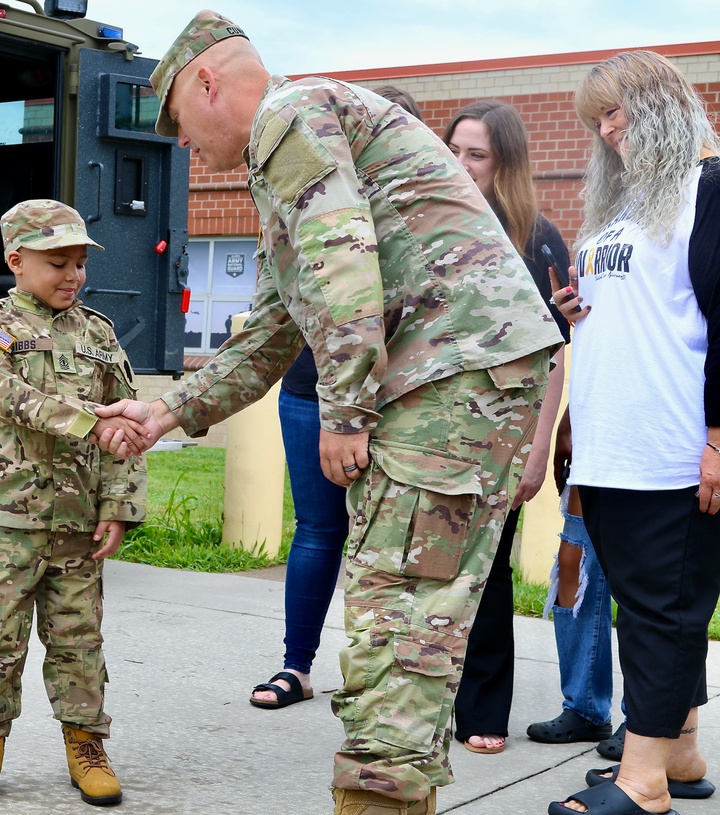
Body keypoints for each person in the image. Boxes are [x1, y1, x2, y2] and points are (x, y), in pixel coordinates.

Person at [95, 11, 564, 814]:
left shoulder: (290, 117)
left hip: (448, 375)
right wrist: (169, 410)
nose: (178, 143)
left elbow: (342, 260)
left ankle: (379, 800)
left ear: (208, 81)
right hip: (458, 372)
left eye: (176, 118)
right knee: (404, 616)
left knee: (398, 618)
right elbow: (278, 323)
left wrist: (344, 411)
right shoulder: (294, 142)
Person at [546, 50, 720, 815]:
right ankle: (677, 750)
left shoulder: (708, 190)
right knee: (645, 603)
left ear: (659, 103)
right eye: (597, 120)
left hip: (675, 445)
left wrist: (718, 439)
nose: (607, 131)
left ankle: (644, 783)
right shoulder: (629, 203)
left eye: (615, 112)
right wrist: (578, 305)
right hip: (611, 446)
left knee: (663, 608)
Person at [0, 199, 147, 808]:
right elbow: (4, 395)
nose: (72, 275)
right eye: (57, 262)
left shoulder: (98, 332)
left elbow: (127, 428)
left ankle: (86, 744)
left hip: (79, 521)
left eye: (80, 263)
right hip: (11, 518)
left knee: (79, 640)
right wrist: (88, 420)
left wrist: (118, 504)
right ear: (17, 260)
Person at [250, 85, 424, 712]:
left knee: (393, 542)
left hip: (399, 398)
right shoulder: (311, 187)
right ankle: (296, 666)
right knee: (320, 530)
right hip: (309, 392)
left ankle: (390, 684)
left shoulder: (412, 210)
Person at [443, 99, 571, 755]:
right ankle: (423, 702)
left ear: (506, 163)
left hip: (503, 434)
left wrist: (536, 446)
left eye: (478, 155)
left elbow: (553, 355)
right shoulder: (425, 228)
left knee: (486, 576)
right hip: (429, 430)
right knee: (425, 575)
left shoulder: (538, 239)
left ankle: (483, 708)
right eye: (455, 150)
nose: (461, 165)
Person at [526, 406, 622, 758]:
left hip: (658, 440)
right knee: (574, 563)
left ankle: (645, 721)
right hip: (596, 431)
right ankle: (584, 709)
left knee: (641, 582)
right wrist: (569, 421)